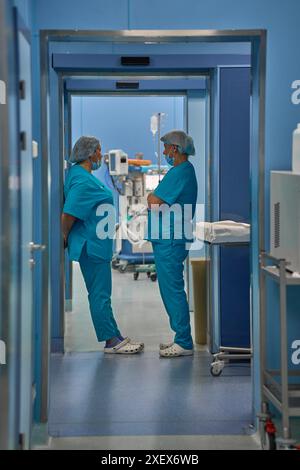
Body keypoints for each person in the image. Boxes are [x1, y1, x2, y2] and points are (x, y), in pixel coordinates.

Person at [62, 136, 142, 354]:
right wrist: (64, 236)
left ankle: (115, 334)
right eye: (99, 151)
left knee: (102, 292)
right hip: (92, 245)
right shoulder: (82, 179)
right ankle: (110, 341)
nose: (101, 155)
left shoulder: (83, 176)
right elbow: (69, 213)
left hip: (97, 242)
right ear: (90, 154)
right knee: (99, 294)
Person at [147, 130, 198, 357]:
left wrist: (152, 195)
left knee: (173, 290)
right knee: (170, 289)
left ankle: (184, 342)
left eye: (166, 147)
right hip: (168, 237)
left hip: (170, 238)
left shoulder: (181, 171)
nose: (165, 151)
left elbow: (154, 201)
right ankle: (180, 337)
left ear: (175, 149)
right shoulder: (179, 172)